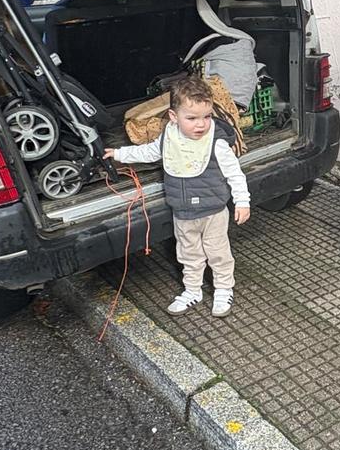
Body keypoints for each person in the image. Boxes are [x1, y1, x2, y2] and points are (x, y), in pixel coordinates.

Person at [105, 76, 250, 317]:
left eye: (206, 116)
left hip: (213, 211)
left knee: (218, 253)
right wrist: (119, 153)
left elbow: (235, 173)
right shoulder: (169, 136)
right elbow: (149, 151)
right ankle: (193, 290)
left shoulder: (215, 143)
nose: (201, 124)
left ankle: (224, 289)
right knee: (188, 254)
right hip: (182, 212)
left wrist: (242, 201)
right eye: (191, 118)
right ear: (173, 117)